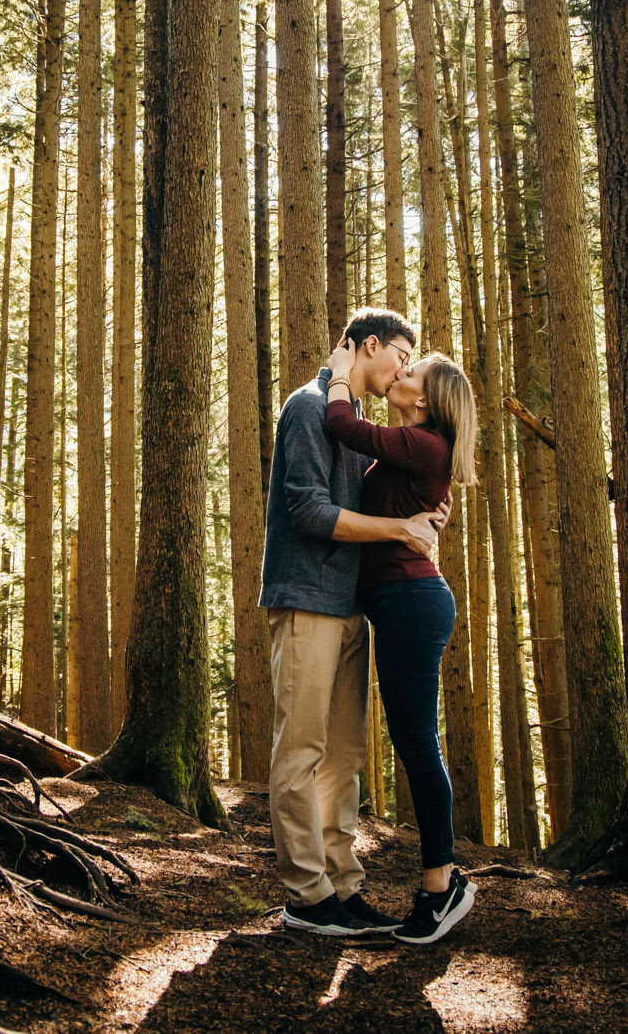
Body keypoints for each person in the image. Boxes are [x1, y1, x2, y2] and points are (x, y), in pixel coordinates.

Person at [261, 308, 448, 938]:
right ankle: (306, 896)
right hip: (306, 597)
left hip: (349, 606)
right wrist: (400, 528)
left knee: (342, 755)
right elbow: (310, 512)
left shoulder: (352, 417)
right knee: (302, 749)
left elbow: (376, 496)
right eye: (400, 356)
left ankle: (342, 882)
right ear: (370, 346)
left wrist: (424, 511)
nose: (402, 369)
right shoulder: (311, 407)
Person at [322, 337, 480, 945]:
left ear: (426, 398)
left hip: (410, 602)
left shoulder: (421, 443)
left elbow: (341, 424)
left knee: (417, 745)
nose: (402, 372)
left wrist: (338, 373)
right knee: (416, 742)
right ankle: (442, 882)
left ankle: (441, 888)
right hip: (402, 603)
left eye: (413, 370)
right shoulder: (417, 450)